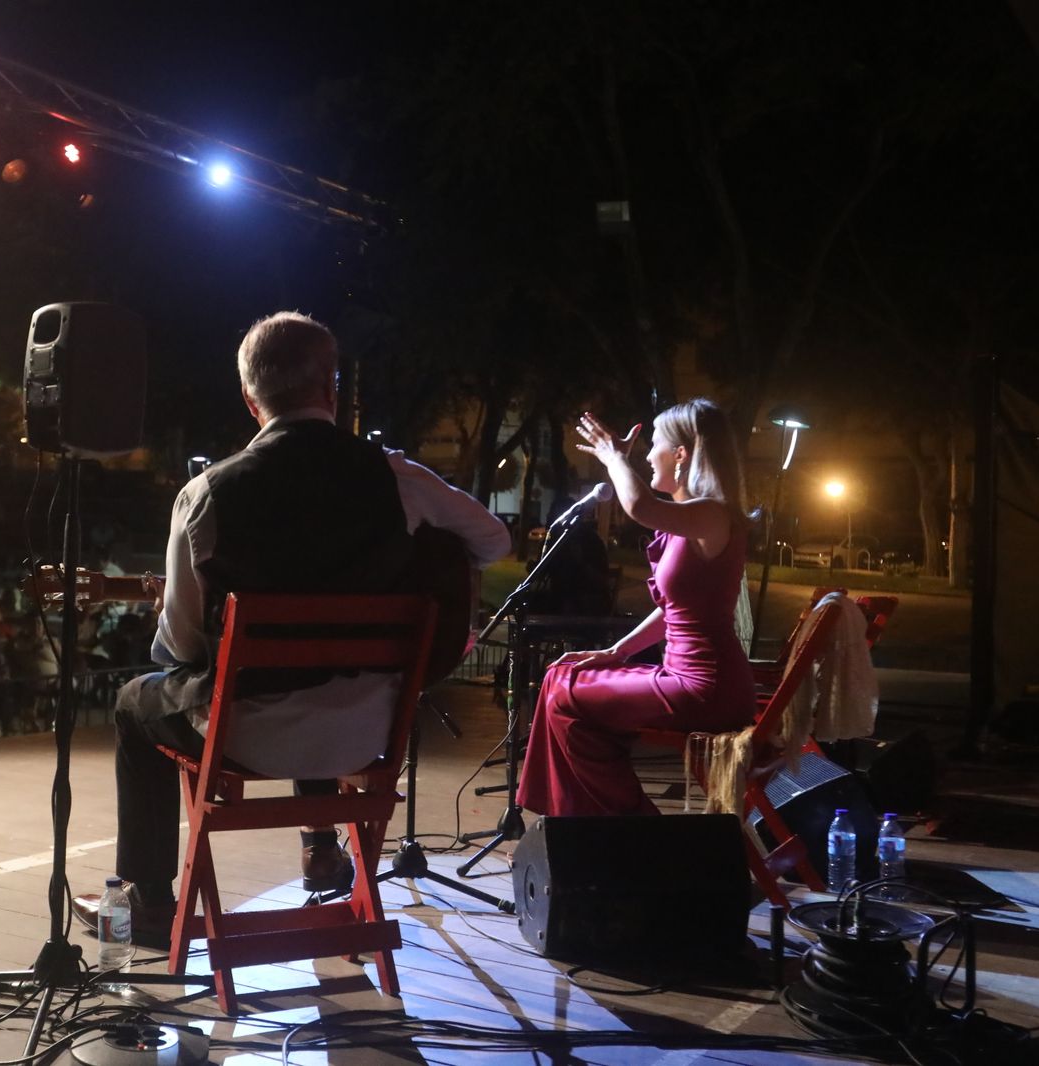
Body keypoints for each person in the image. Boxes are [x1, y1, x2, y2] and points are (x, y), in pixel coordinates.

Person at [74, 311, 510, 946]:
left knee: (133, 703)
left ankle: (146, 903)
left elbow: (184, 646)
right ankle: (323, 848)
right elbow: (492, 540)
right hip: (371, 732)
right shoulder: (395, 479)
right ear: (331, 391)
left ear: (251, 401)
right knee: (310, 662)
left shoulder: (207, 494)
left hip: (247, 738)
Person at [516, 399, 756, 818]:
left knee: (565, 693)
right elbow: (673, 611)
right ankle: (582, 822)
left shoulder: (711, 514)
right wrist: (616, 653)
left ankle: (632, 826)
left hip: (705, 686)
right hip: (682, 677)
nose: (646, 455)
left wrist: (612, 458)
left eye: (655, 444)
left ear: (681, 455)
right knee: (562, 675)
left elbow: (640, 508)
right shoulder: (691, 521)